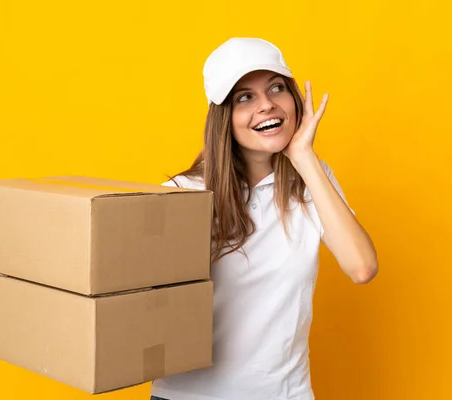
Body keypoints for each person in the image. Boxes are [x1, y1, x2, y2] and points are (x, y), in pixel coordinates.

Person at [150, 37, 378, 400]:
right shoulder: (183, 194)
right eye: (245, 97)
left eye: (276, 88)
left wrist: (304, 158)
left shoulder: (313, 183)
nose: (267, 105)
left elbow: (362, 267)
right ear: (224, 116)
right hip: (188, 395)